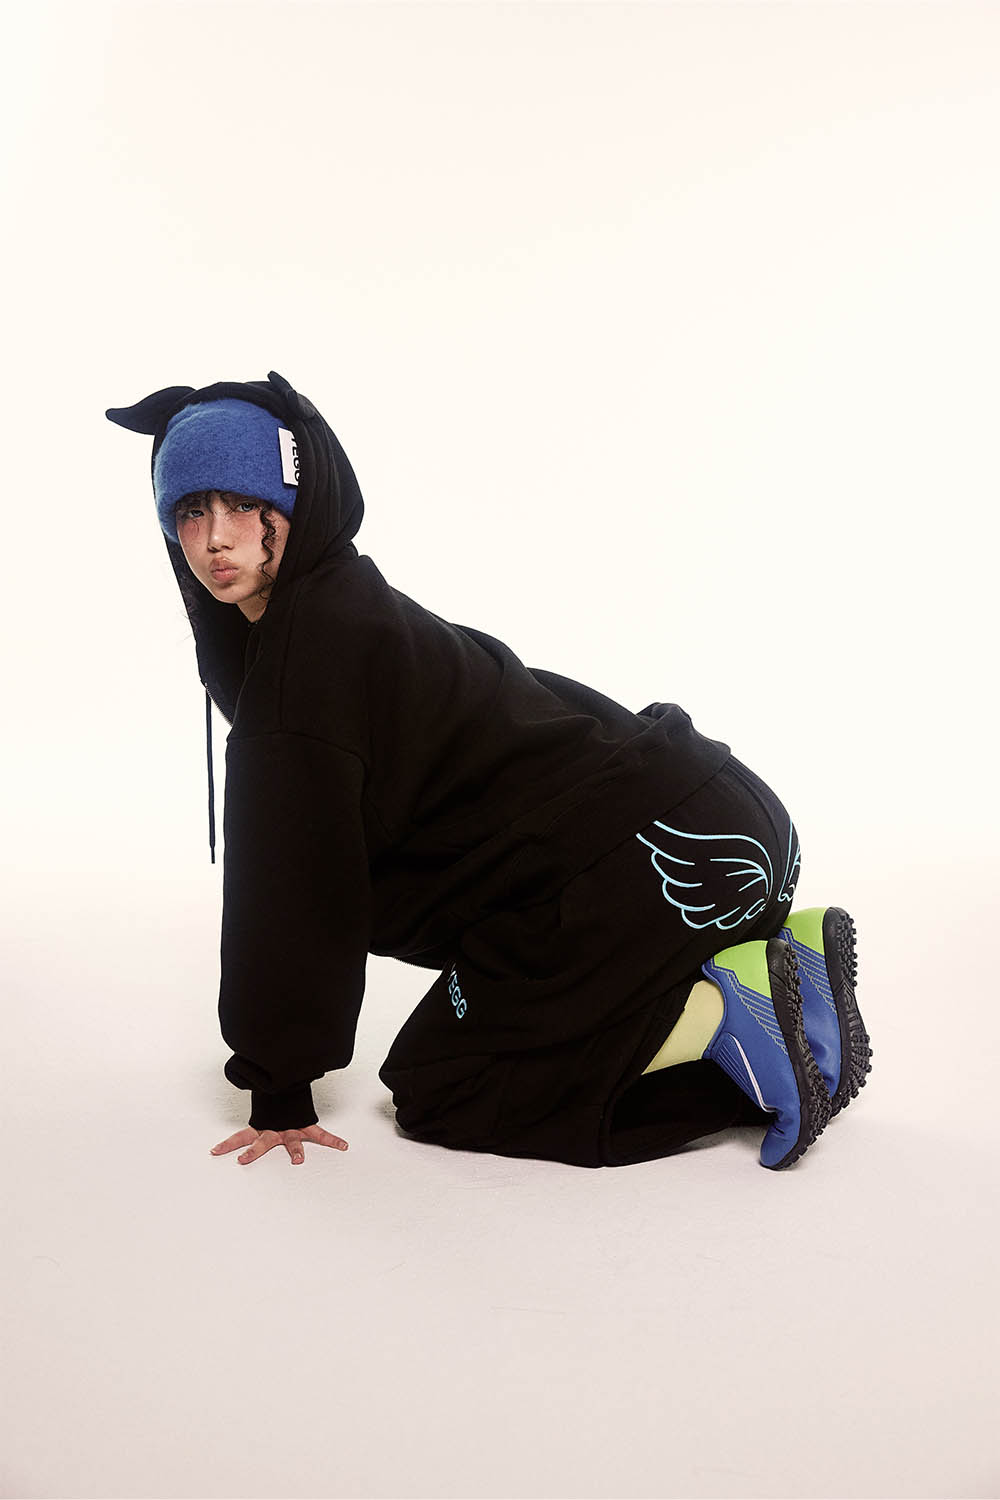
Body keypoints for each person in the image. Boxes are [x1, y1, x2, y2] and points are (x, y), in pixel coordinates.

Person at [105, 370, 872, 1173]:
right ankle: (787, 963)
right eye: (190, 511)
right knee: (537, 1017)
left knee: (443, 1086)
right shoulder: (357, 608)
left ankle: (724, 1015)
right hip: (721, 823)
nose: (215, 539)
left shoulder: (302, 674)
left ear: (299, 500)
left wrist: (279, 1089)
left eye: (242, 504)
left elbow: (291, 894)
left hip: (649, 872)